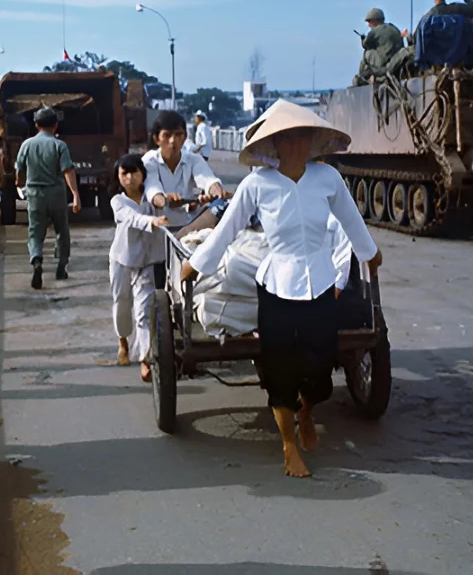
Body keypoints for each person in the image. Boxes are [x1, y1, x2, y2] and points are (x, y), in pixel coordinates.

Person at [180, 99, 382, 479]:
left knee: (320, 365)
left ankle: (307, 410)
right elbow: (227, 231)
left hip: (320, 283)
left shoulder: (328, 179)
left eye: (302, 137)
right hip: (275, 286)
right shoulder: (258, 184)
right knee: (279, 368)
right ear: (274, 145)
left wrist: (370, 254)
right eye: (287, 139)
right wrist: (196, 264)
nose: (295, 145)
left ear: (311, 141)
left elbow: (352, 222)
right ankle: (288, 445)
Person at [109, 154, 167, 382]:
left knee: (144, 311)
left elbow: (166, 205)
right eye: (124, 173)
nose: (130, 178)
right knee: (122, 303)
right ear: (118, 177)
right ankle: (123, 341)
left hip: (148, 261)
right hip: (122, 259)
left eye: (134, 172)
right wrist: (150, 221)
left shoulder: (152, 198)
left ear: (143, 174)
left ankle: (146, 358)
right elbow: (130, 217)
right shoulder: (118, 201)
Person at [16, 107, 82, 289]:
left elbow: (19, 171)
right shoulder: (59, 145)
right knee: (61, 230)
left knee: (35, 232)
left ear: (36, 125)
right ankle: (61, 267)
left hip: (35, 194)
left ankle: (36, 259)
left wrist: (20, 185)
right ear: (55, 125)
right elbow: (68, 170)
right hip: (56, 194)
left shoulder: (26, 145)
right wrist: (75, 195)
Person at [144, 110, 226, 231]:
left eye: (178, 135)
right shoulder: (149, 160)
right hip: (155, 228)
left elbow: (207, 178)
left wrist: (215, 189)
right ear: (156, 139)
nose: (173, 141)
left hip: (185, 227)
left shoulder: (194, 159)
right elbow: (152, 187)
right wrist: (164, 199)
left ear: (184, 138)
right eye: (167, 135)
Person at [357, 8, 407, 85]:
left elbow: (365, 45)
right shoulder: (394, 28)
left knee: (367, 53)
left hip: (384, 64)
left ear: (375, 21)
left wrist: (363, 39)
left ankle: (362, 79)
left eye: (370, 21)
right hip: (397, 62)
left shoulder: (374, 31)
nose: (369, 25)